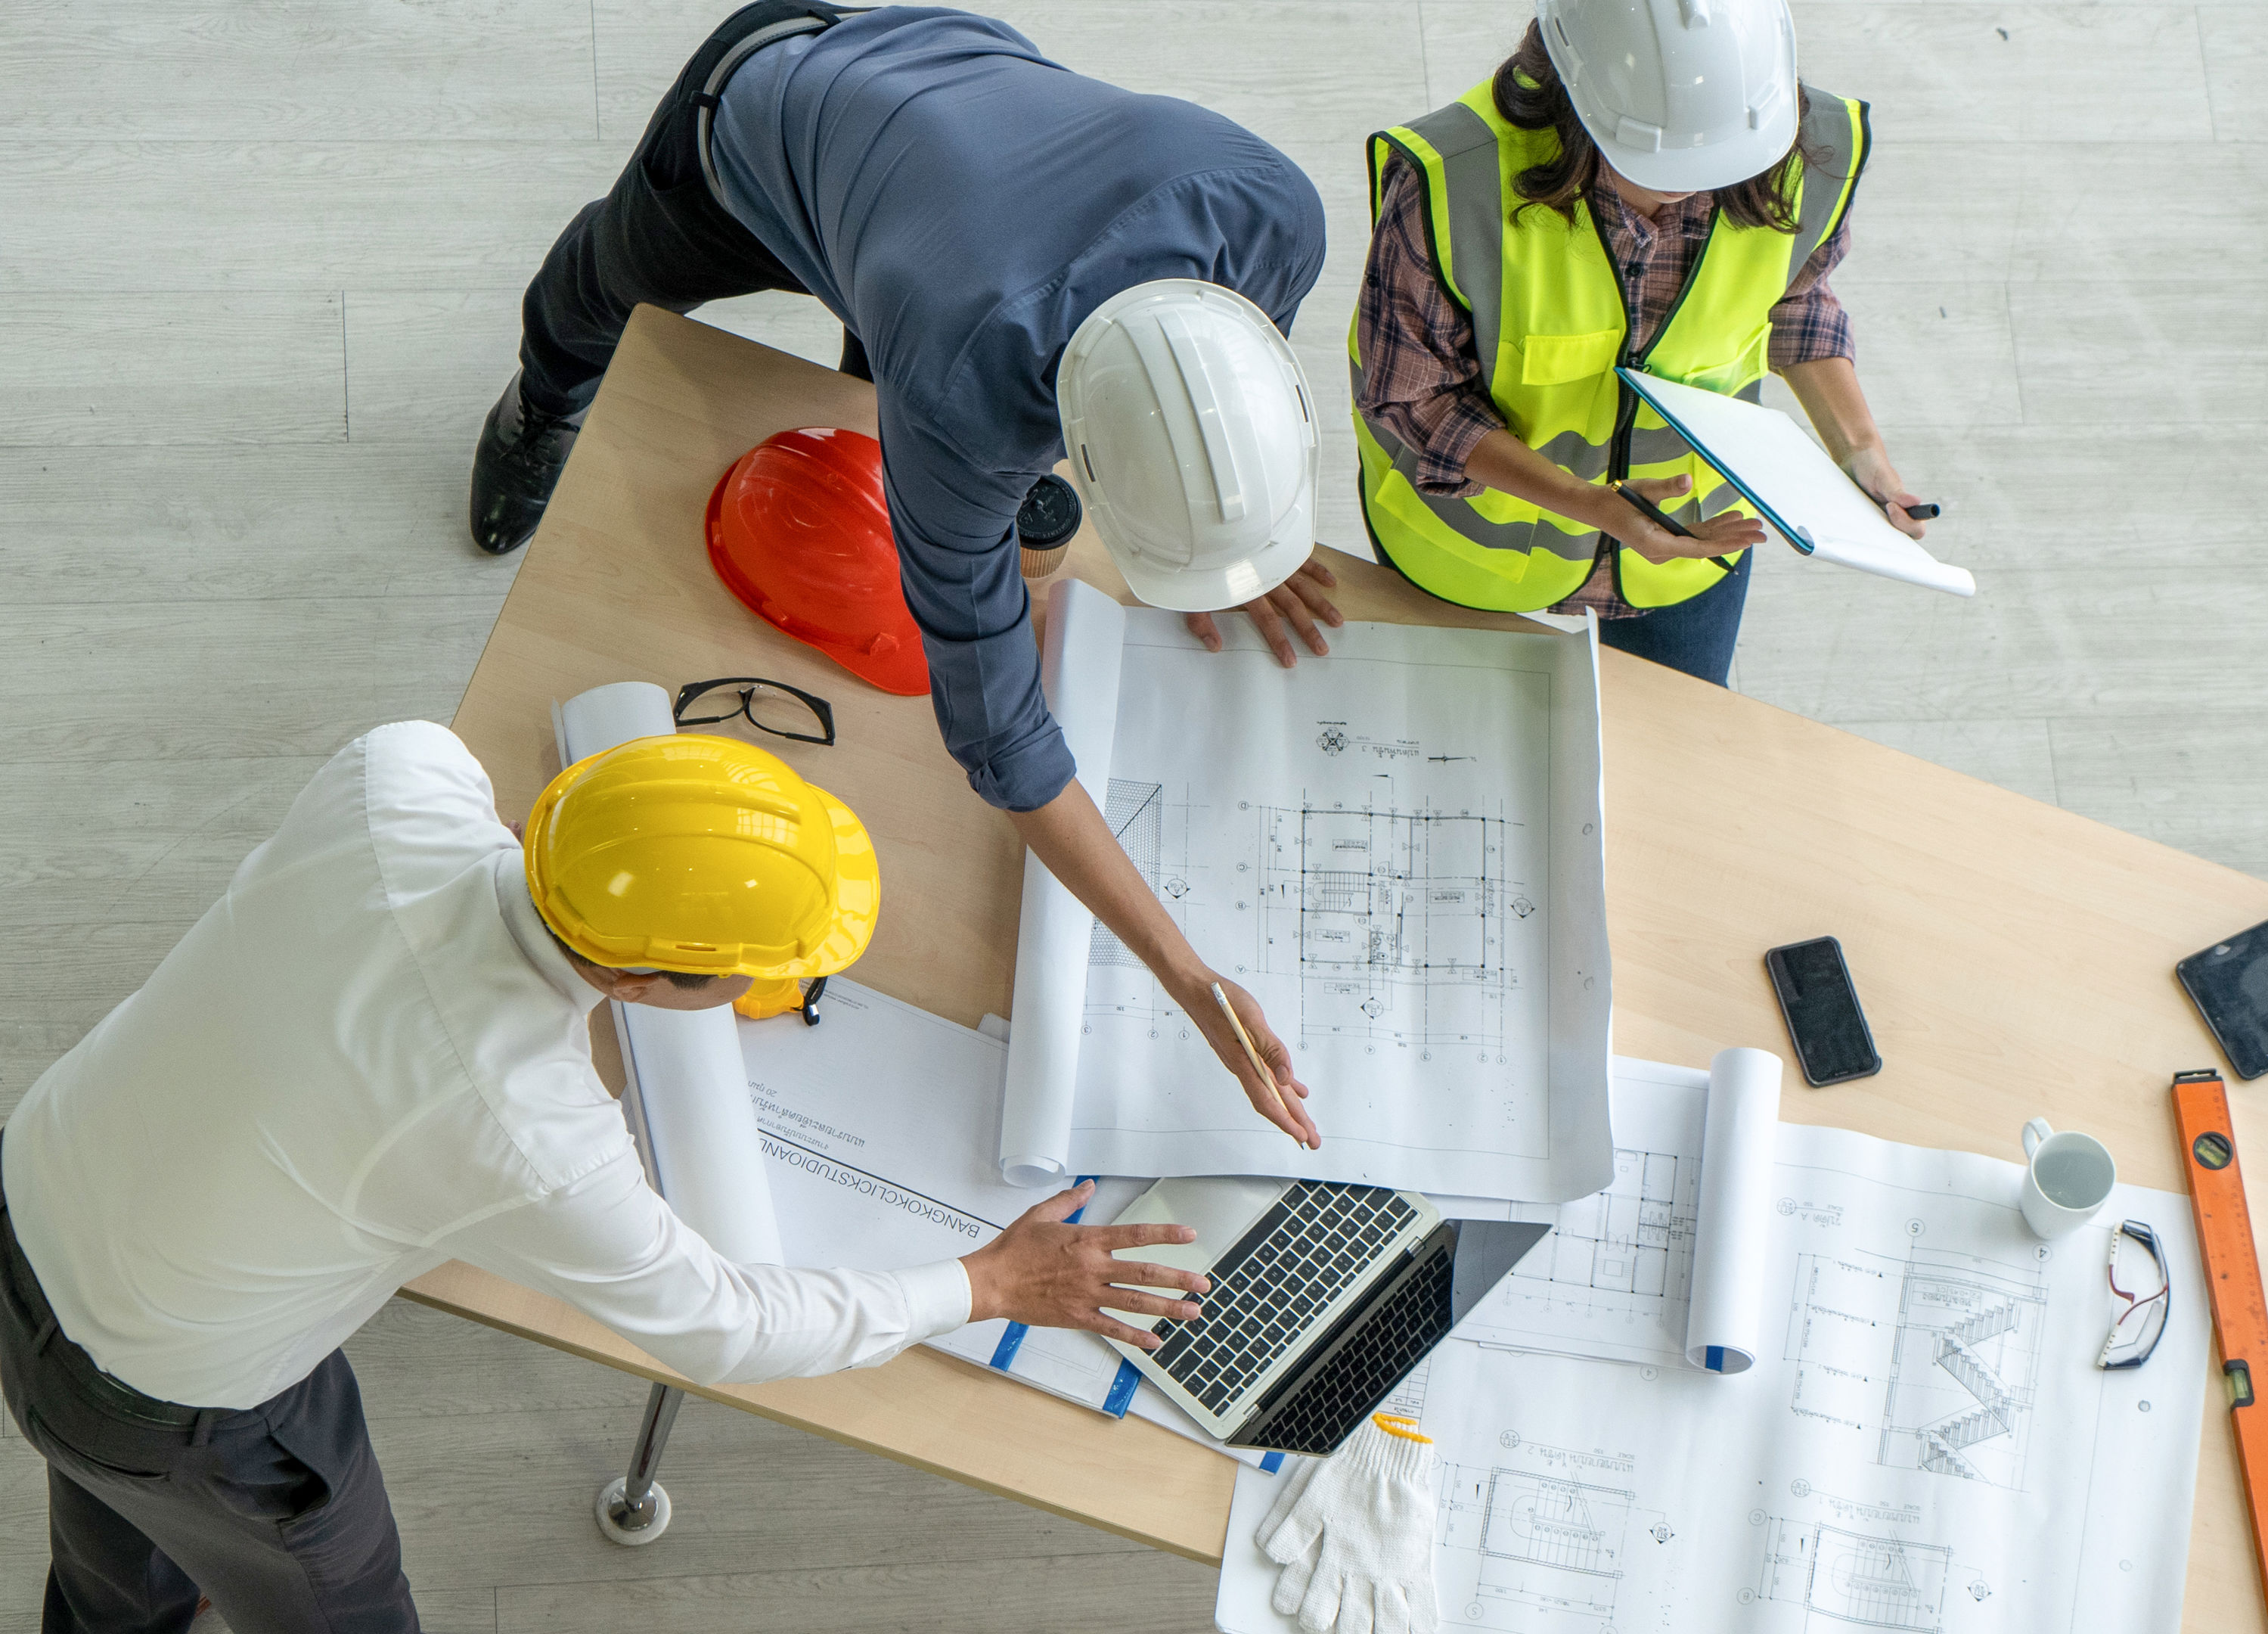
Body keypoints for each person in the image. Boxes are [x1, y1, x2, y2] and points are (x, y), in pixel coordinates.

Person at [0, 722, 1211, 1631]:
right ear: (643, 985)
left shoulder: (398, 775)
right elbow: (728, 1328)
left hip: (44, 1194)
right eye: (740, 975)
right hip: (173, 1392)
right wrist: (987, 1282)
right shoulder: (526, 1126)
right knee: (337, 1595)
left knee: (115, 1522)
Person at [470, 5, 1339, 1143]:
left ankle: (866, 314)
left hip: (948, 130)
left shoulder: (1273, 211)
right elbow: (1004, 746)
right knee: (608, 287)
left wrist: (1235, 529)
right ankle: (541, 395)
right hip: (756, 110)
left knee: (881, 344)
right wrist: (1189, 976)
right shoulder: (960, 394)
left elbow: (1215, 392)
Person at [1350, 0, 1932, 686]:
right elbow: (1418, 398)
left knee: (1673, 774)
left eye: (1719, 163)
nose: (1695, 187)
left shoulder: (1797, 143)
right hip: (1473, 557)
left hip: (1690, 544)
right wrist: (1592, 504)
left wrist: (1863, 454)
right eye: (1656, 161)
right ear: (1572, 97)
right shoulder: (1453, 180)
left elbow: (1795, 297)